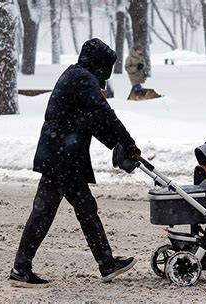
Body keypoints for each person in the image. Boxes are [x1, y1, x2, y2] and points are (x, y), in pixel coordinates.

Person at [9, 38, 140, 288]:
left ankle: (106, 263)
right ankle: (20, 269)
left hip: (66, 157)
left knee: (86, 207)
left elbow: (93, 120)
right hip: (60, 158)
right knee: (43, 212)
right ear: (100, 64)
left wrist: (120, 145)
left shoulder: (78, 76)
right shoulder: (81, 78)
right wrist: (127, 142)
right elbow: (102, 113)